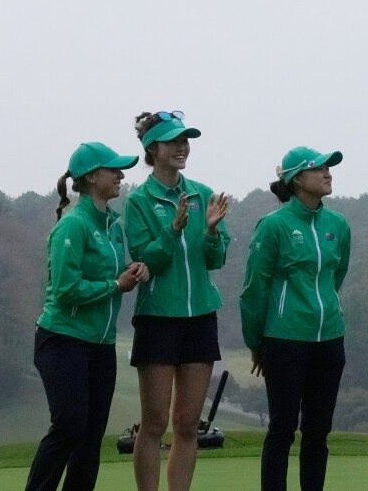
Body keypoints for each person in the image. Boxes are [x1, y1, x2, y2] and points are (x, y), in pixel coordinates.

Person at [27, 142, 149, 491]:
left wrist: (131, 270)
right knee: (69, 429)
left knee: (90, 439)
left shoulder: (111, 225)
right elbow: (65, 290)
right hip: (62, 340)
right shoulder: (73, 226)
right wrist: (115, 285)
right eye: (114, 170)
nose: (121, 175)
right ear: (93, 177)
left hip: (99, 345)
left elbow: (108, 274)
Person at [123, 111, 231, 491]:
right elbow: (143, 260)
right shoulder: (137, 202)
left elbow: (216, 260)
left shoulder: (202, 194)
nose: (182, 147)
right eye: (173, 141)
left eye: (185, 140)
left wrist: (213, 232)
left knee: (187, 424)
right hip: (157, 317)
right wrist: (173, 230)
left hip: (200, 316)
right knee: (153, 423)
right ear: (153, 149)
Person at [240, 146, 352, 491]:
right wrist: (257, 342)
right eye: (318, 168)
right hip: (285, 341)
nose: (327, 172)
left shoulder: (338, 224)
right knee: (282, 429)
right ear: (296, 180)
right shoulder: (273, 226)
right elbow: (254, 288)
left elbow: (337, 275)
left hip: (329, 340)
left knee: (318, 432)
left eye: (328, 167)